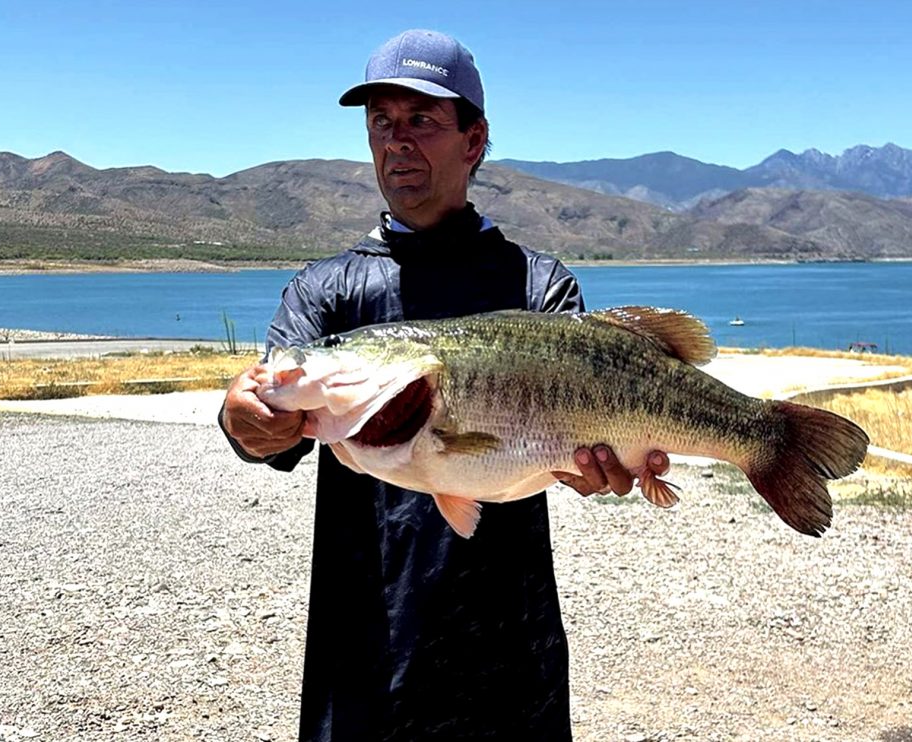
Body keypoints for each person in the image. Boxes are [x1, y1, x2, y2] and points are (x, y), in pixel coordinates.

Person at [219, 29, 670, 741]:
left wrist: (602, 470)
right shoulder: (326, 291)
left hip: (511, 653)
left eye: (422, 120)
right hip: (366, 648)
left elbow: (587, 445)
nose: (397, 141)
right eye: (382, 123)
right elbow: (263, 420)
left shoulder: (539, 288)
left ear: (474, 139)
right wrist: (244, 419)